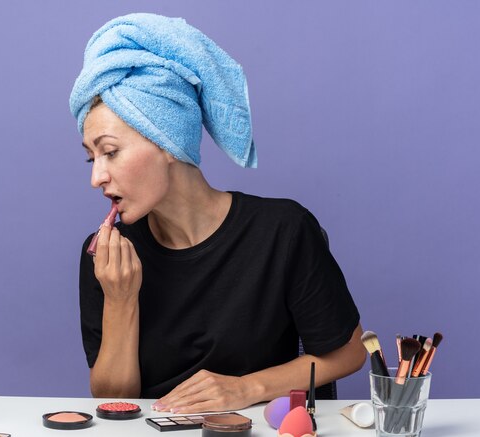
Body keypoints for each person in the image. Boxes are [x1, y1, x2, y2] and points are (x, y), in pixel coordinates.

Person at [70, 13, 366, 414]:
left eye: (109, 152)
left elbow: (350, 353)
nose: (97, 177)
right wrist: (120, 300)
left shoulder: (283, 231)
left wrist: (246, 389)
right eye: (91, 158)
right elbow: (113, 402)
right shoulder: (107, 258)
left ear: (167, 141)